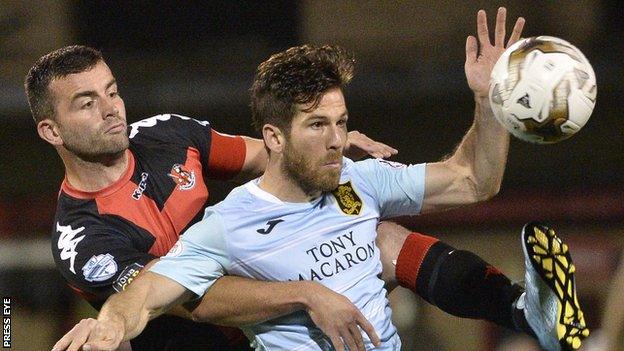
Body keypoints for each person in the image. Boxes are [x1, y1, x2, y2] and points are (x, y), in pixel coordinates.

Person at [51, 8, 589, 351]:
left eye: (342, 123)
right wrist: (110, 326)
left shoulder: (356, 179)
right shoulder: (205, 231)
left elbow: (474, 180)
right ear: (51, 129)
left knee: (377, 235)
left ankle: (523, 311)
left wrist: (489, 100)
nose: (111, 109)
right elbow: (164, 298)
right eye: (318, 126)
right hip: (196, 337)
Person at [25, 44, 398, 350]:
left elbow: (269, 153)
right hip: (218, 337)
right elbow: (188, 296)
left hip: (273, 328)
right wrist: (307, 294)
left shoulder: (168, 133)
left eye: (112, 91)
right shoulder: (82, 241)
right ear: (51, 131)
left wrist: (323, 147)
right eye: (87, 103)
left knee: (386, 238)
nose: (111, 110)